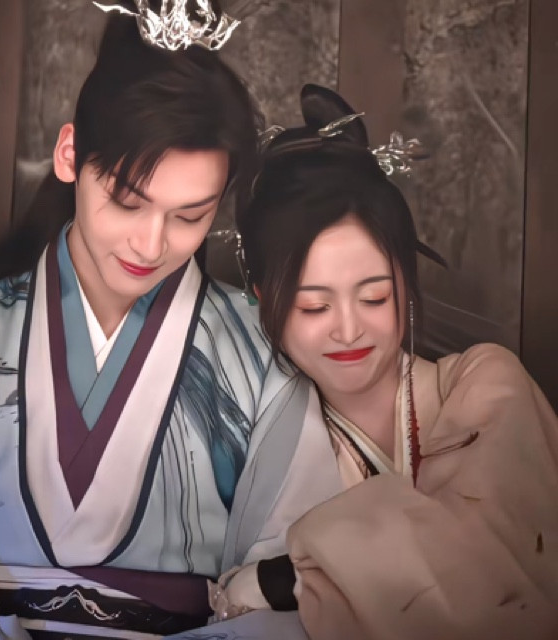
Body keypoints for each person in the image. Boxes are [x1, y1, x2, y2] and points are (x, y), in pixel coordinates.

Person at [0, 7, 342, 639]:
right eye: (126, 200)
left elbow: (290, 584)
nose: (150, 244)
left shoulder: (260, 354)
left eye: (189, 216)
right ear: (69, 155)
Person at [213, 84, 558, 639]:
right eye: (314, 306)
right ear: (262, 298)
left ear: (406, 280)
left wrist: (288, 578)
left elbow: (494, 559)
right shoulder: (269, 433)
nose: (349, 328)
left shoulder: (486, 383)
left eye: (374, 297)